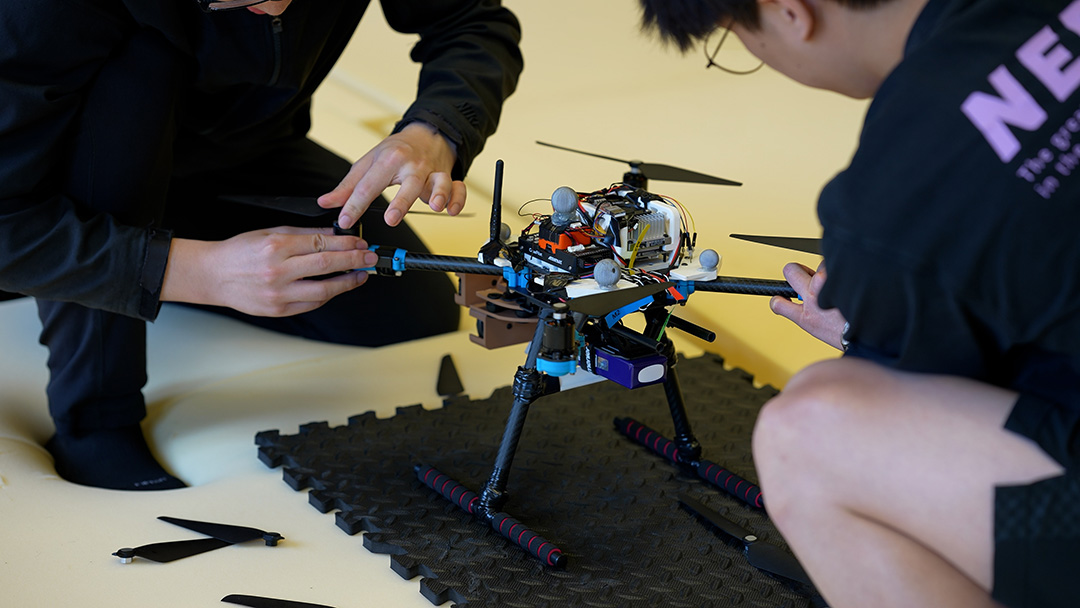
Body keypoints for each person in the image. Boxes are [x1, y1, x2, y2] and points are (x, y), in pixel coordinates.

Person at [640, 0, 1079, 606]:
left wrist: (863, 332)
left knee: (807, 435)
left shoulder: (903, 180)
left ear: (789, 13)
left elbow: (940, 389)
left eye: (736, 38)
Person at [0, 0, 522, 491]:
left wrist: (435, 128)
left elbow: (473, 21)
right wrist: (197, 272)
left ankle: (157, 235)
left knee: (409, 315)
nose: (274, 9)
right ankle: (95, 417)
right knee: (141, 63)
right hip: (71, 171)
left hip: (243, 154)